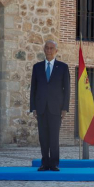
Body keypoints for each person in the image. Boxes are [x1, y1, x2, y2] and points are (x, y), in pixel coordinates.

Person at [30, 40, 70, 171]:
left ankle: (54, 163)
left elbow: (67, 89)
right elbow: (33, 89)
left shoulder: (63, 67)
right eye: (46, 48)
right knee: (43, 137)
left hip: (56, 108)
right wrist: (33, 107)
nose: (49, 50)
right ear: (43, 50)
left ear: (56, 51)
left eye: (51, 48)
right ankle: (44, 163)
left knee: (54, 137)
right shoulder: (37, 67)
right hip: (41, 108)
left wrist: (65, 108)